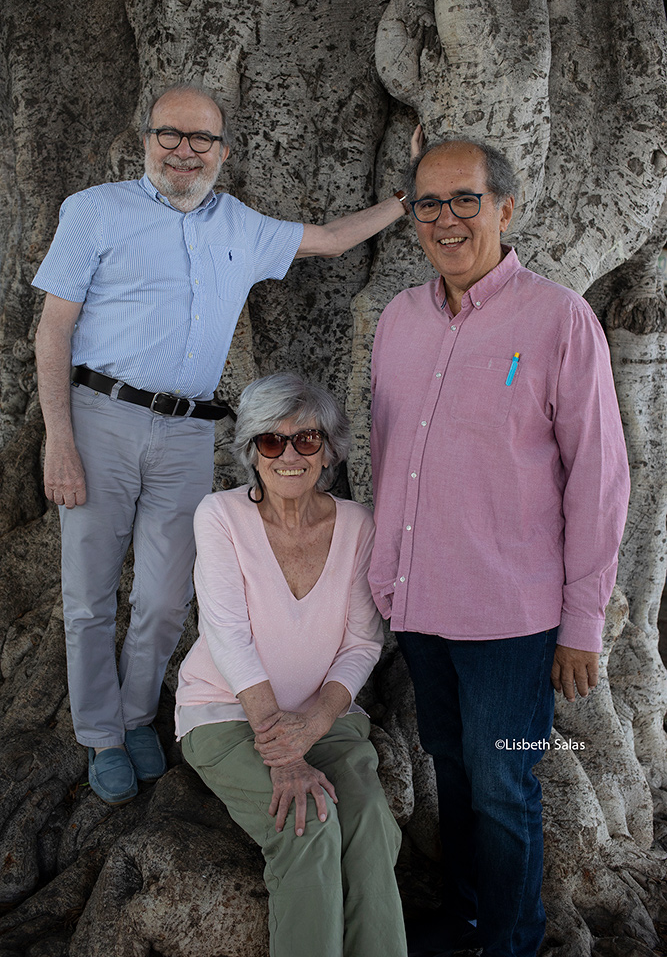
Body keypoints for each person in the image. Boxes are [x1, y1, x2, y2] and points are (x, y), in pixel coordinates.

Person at [32, 82, 413, 805]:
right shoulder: (93, 212)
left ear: (223, 152)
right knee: (88, 598)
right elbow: (53, 330)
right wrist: (59, 440)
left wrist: (405, 196)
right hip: (98, 418)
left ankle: (139, 717)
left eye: (200, 139)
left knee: (166, 600)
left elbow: (330, 240)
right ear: (144, 139)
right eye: (169, 135)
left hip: (186, 431)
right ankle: (100, 737)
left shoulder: (240, 224)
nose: (183, 150)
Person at [369, 137, 630, 957]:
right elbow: (387, 457)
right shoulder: (398, 319)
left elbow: (598, 476)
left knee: (505, 787)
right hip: (417, 606)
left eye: (465, 200)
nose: (446, 220)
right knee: (447, 767)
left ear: (505, 208)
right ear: (412, 218)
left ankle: (512, 940)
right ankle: (466, 916)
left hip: (512, 620)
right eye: (428, 204)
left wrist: (581, 621)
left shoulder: (558, 318)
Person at [175, 372, 407, 957]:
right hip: (227, 716)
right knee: (308, 828)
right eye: (270, 441)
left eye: (305, 440)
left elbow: (361, 641)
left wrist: (315, 725)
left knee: (372, 828)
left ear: (327, 450)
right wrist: (282, 751)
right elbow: (226, 635)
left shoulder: (358, 525)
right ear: (251, 451)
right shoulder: (219, 515)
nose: (288, 455)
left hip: (326, 719)